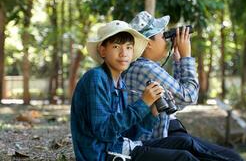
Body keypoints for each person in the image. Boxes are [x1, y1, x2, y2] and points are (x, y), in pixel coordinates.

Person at [70, 20, 212, 161]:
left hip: (123, 146)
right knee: (183, 157)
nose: (123, 53)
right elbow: (104, 131)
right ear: (102, 50)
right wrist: (143, 103)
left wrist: (151, 113)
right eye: (115, 46)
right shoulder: (96, 78)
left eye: (129, 47)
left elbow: (127, 134)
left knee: (184, 142)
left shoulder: (119, 83)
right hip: (106, 155)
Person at [124, 11, 243, 161]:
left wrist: (178, 60)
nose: (167, 41)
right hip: (161, 138)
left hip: (168, 133)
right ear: (148, 43)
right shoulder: (145, 68)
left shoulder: (139, 66)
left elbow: (177, 100)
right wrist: (187, 56)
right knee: (233, 158)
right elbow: (189, 97)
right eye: (163, 36)